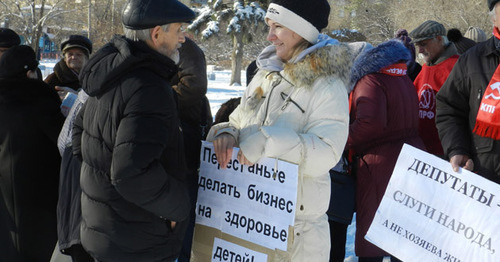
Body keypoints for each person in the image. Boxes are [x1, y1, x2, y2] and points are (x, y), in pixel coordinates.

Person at [206, 0, 358, 260]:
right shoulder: (265, 76)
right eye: (269, 26)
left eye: (277, 26)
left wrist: (268, 142)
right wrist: (226, 133)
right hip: (251, 221)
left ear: (300, 31)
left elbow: (327, 151)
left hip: (297, 236)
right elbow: (239, 118)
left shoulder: (327, 84)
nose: (269, 36)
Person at [71, 0, 195, 261]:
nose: (183, 38)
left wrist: (103, 177)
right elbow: (130, 174)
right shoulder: (148, 87)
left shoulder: (112, 72)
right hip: (137, 240)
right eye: (179, 29)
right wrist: (178, 207)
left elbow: (79, 136)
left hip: (107, 230)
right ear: (156, 33)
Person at [347, 40, 425, 262]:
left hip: (379, 163)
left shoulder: (370, 80)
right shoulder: (401, 77)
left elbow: (369, 123)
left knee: (374, 236)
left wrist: (339, 139)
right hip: (407, 155)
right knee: (400, 233)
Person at [0, 45, 65, 261]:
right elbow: (63, 139)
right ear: (29, 72)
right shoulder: (38, 98)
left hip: (6, 189)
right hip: (39, 191)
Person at [435, 0, 500, 182]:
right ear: (494, 20)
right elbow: (449, 109)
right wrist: (457, 149)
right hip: (484, 179)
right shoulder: (472, 60)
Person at [171, 36, 212, 262]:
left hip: (184, 138)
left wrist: (156, 98)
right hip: (177, 135)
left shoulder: (185, 46)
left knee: (185, 211)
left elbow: (194, 84)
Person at [409, 20, 459, 157]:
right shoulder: (426, 67)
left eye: (423, 44)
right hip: (421, 149)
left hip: (447, 152)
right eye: (418, 45)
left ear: (439, 39)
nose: (420, 50)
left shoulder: (458, 66)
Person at [44, 35, 92, 100]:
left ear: (87, 59)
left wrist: (77, 96)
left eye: (78, 54)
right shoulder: (52, 80)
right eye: (70, 54)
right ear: (64, 58)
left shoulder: (95, 79)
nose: (73, 57)